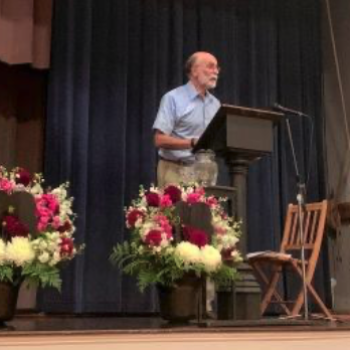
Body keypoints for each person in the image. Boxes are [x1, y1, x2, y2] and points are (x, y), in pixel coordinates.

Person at [153, 51, 221, 188]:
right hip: (175, 169)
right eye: (210, 66)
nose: (216, 71)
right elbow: (159, 140)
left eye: (217, 67)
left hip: (206, 171)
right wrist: (192, 143)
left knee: (207, 210)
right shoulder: (173, 98)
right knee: (177, 210)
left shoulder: (216, 104)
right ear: (194, 70)